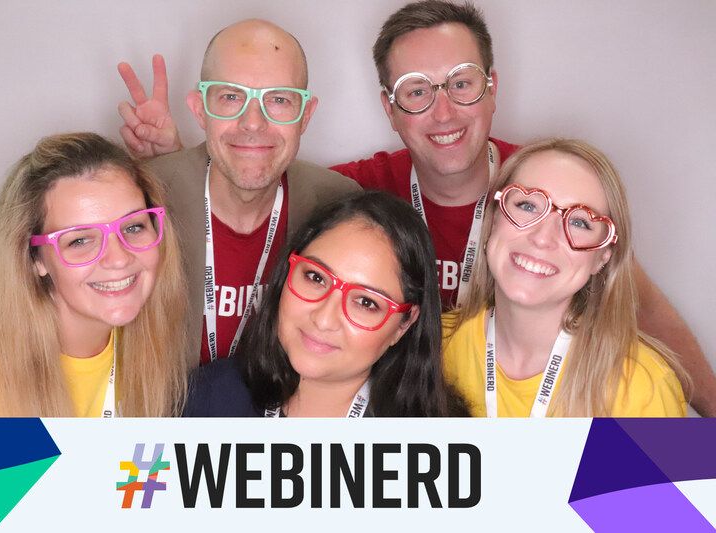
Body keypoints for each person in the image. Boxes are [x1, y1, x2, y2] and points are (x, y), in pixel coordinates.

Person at [116, 1, 716, 417]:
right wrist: (189, 161)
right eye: (416, 92)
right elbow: (258, 170)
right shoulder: (353, 195)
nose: (444, 111)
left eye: (460, 83)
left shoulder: (542, 187)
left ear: (492, 87)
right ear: (389, 106)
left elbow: (635, 303)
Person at [117, 19, 359, 369]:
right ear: (200, 109)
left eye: (278, 99)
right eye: (231, 97)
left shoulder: (337, 205)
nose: (253, 122)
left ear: (305, 115)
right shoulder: (143, 202)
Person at [0, 133, 186, 417]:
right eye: (79, 241)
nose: (118, 258)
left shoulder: (145, 338)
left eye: (133, 227)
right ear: (35, 259)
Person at [443, 138, 688, 417]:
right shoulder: (432, 348)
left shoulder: (644, 389)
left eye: (579, 222)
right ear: (495, 217)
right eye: (528, 205)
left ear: (603, 256)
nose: (542, 237)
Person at [184, 191, 468, 417]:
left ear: (403, 325)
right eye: (315, 277)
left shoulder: (443, 452)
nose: (323, 319)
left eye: (366, 302)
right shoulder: (203, 398)